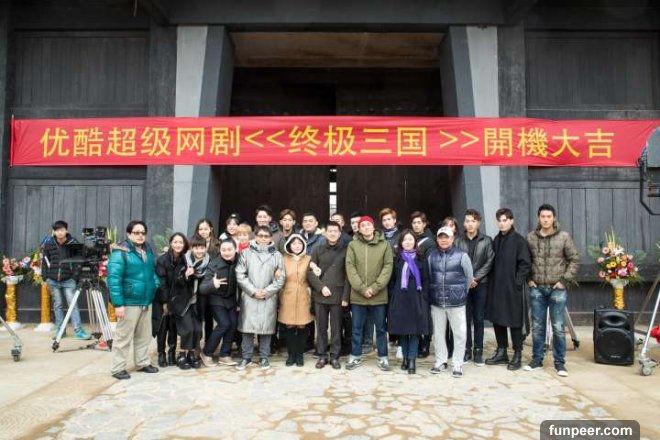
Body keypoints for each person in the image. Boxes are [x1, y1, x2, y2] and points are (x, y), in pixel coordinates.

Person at [525, 204, 580, 377]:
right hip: (537, 288)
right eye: (543, 216)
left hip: (557, 288)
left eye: (549, 216)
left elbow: (574, 260)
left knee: (558, 327)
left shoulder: (564, 237)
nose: (546, 219)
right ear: (538, 217)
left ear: (554, 218)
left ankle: (560, 363)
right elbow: (525, 260)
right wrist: (529, 279)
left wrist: (564, 280)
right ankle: (536, 360)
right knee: (537, 326)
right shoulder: (530, 237)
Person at [108, 220, 160, 380]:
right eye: (136, 232)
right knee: (123, 337)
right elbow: (114, 279)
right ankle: (118, 368)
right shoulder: (120, 252)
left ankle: (142, 362)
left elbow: (151, 271)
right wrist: (118, 304)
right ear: (129, 234)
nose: (140, 235)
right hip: (129, 302)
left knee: (143, 336)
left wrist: (155, 283)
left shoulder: (147, 250)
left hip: (146, 300)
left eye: (143, 232)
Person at [345, 216, 394, 371]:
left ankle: (383, 357)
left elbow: (388, 267)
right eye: (362, 225)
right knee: (357, 328)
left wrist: (374, 288)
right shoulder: (353, 245)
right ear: (359, 229)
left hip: (378, 295)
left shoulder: (384, 245)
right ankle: (355, 356)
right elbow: (350, 267)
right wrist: (361, 288)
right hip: (358, 296)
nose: (366, 227)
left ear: (373, 227)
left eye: (368, 224)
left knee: (380, 329)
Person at [485, 208, 531, 371]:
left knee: (514, 321)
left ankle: (517, 354)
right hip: (497, 287)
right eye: (499, 221)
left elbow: (525, 264)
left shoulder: (519, 241)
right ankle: (502, 351)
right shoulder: (496, 240)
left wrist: (517, 282)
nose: (502, 223)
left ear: (511, 221)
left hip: (512, 288)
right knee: (498, 319)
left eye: (505, 220)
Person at [235, 225, 286, 370]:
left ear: (270, 238)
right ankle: (246, 357)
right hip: (249, 296)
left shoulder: (277, 255)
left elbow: (281, 278)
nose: (263, 239)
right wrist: (253, 291)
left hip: (268, 297)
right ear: (255, 236)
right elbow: (240, 274)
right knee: (247, 328)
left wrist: (267, 292)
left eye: (266, 236)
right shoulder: (246, 253)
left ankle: (264, 357)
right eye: (260, 236)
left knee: (266, 328)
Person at [428, 226, 473, 379]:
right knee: (438, 333)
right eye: (441, 237)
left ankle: (457, 363)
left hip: (456, 302)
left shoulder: (462, 256)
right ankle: (441, 361)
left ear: (452, 239)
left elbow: (469, 278)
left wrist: (460, 293)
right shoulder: (431, 257)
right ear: (437, 239)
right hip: (437, 302)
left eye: (446, 237)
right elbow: (430, 276)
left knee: (459, 333)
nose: (443, 240)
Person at [307, 221, 350, 369]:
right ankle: (322, 355)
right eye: (330, 231)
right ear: (325, 233)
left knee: (337, 328)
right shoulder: (317, 249)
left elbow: (348, 275)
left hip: (338, 294)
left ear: (340, 233)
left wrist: (345, 297)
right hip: (321, 295)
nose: (332, 233)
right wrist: (321, 287)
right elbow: (310, 272)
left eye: (335, 231)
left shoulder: (346, 250)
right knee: (321, 327)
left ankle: (335, 356)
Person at [454, 209, 494, 366]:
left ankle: (478, 351)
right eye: (467, 221)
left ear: (478, 223)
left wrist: (475, 278)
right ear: (464, 223)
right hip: (463, 284)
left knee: (478, 318)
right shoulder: (458, 241)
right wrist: (467, 279)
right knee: (464, 318)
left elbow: (489, 261)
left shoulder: (486, 240)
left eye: (473, 221)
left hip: (480, 284)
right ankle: (466, 350)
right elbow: (455, 260)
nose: (470, 224)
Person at [387, 229, 430, 374]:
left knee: (415, 331)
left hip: (416, 298)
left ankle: (412, 360)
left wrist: (424, 297)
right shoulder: (397, 259)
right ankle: (405, 358)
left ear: (415, 242)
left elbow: (426, 279)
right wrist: (393, 297)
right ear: (401, 243)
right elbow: (392, 281)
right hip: (400, 298)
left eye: (410, 239)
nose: (407, 242)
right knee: (403, 331)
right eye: (405, 240)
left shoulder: (421, 259)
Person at [41, 220, 91, 340]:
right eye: (57, 230)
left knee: (72, 305)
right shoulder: (49, 244)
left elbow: (79, 261)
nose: (60, 232)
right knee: (57, 305)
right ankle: (60, 330)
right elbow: (45, 261)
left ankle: (78, 330)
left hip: (69, 280)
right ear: (54, 231)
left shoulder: (73, 243)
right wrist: (45, 276)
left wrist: (75, 277)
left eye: (62, 230)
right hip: (53, 280)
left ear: (66, 230)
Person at [199, 239, 240, 367]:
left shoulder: (240, 260)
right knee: (224, 324)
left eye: (229, 249)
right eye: (223, 250)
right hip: (216, 299)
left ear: (235, 249)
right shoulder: (214, 264)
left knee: (233, 324)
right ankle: (206, 353)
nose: (227, 252)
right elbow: (202, 288)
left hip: (231, 299)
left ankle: (225, 355)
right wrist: (213, 284)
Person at [171, 236, 209, 369]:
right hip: (184, 301)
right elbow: (176, 281)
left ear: (206, 248)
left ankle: (192, 354)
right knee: (187, 329)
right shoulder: (184, 260)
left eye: (202, 247)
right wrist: (186, 275)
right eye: (196, 248)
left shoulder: (208, 262)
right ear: (192, 248)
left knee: (197, 329)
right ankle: (182, 354)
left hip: (199, 302)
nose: (199, 250)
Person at [279, 234, 314, 367]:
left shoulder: (308, 259)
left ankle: (299, 354)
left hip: (304, 295)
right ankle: (291, 354)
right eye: (294, 243)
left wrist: (316, 270)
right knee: (289, 325)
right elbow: (278, 277)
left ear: (303, 245)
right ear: (289, 245)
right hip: (288, 294)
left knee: (302, 325)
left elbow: (313, 275)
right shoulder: (283, 259)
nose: (297, 246)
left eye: (299, 243)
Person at [154, 232, 188, 368]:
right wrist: (165, 302)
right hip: (162, 298)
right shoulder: (162, 260)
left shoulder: (185, 260)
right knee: (162, 328)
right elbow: (161, 283)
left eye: (181, 242)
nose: (178, 245)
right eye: (175, 242)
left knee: (173, 328)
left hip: (177, 299)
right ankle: (161, 354)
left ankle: (171, 353)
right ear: (170, 243)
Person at [410, 211, 434, 358]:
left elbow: (429, 264)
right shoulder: (411, 238)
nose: (416, 225)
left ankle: (426, 343)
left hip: (424, 282)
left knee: (425, 314)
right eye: (414, 223)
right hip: (411, 283)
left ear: (424, 224)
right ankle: (417, 341)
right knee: (416, 313)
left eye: (419, 222)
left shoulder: (429, 241)